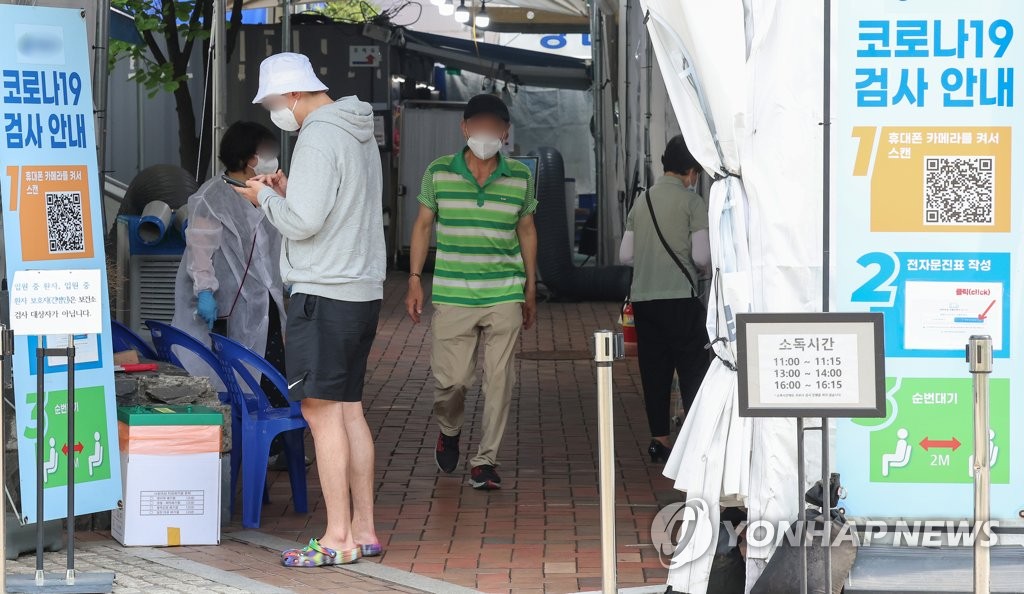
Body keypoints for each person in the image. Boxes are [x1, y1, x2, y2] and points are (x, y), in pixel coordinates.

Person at [233, 52, 386, 567]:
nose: (278, 113)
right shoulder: (358, 128)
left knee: (319, 413)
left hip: (323, 291)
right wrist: (287, 191)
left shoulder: (319, 134)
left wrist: (264, 200)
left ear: (293, 94)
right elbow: (335, 206)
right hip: (360, 288)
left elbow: (304, 224)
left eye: (275, 102)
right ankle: (364, 530)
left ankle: (338, 536)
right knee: (348, 410)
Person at [405, 94, 538, 491]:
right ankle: (449, 429)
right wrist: (414, 278)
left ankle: (486, 461)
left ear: (505, 132)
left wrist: (530, 287)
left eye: (492, 127)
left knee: (500, 379)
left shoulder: (520, 177)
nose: (485, 133)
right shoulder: (439, 172)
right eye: (477, 125)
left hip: (503, 292)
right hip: (453, 292)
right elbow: (423, 225)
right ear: (464, 129)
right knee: (453, 382)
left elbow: (527, 230)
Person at [172, 121, 287, 399]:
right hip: (227, 309)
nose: (274, 158)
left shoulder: (269, 193)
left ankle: (277, 442)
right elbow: (200, 251)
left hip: (267, 301)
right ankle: (242, 439)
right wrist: (205, 292)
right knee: (234, 382)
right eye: (267, 152)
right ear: (250, 159)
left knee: (272, 377)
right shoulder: (212, 197)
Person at [618, 134, 711, 464]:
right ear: (691, 171)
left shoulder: (641, 202)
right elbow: (700, 257)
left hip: (644, 300)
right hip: (680, 299)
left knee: (653, 370)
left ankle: (659, 440)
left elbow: (625, 254)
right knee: (694, 368)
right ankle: (695, 439)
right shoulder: (692, 202)